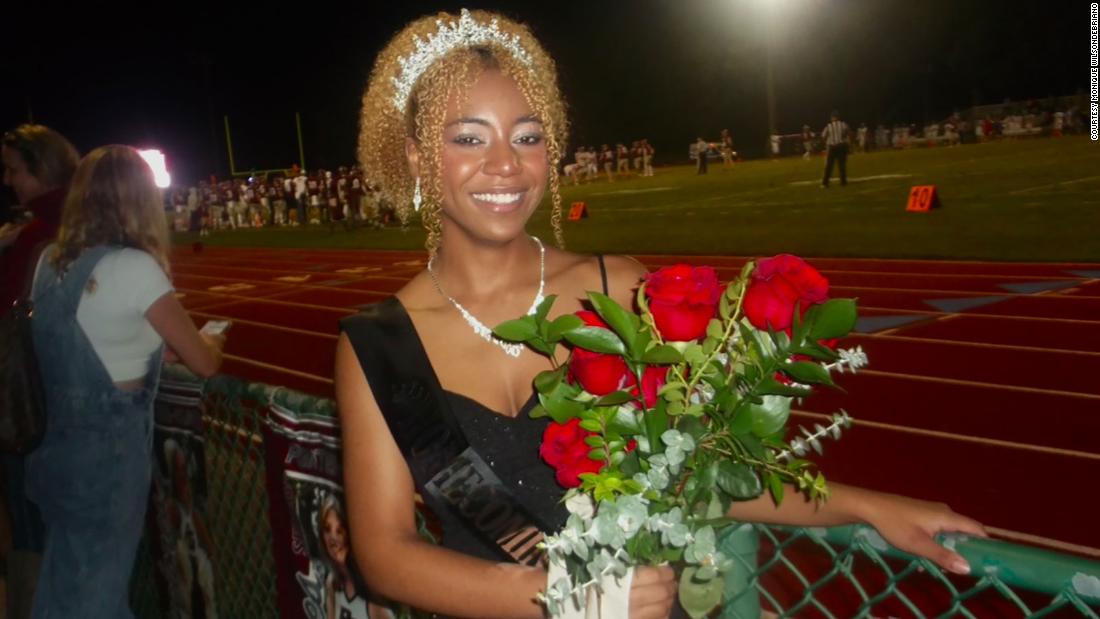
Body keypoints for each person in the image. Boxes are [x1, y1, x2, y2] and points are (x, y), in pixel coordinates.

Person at [336, 10, 984, 619]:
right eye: (469, 138)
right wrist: (566, 597)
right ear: (419, 157)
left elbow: (704, 468)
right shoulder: (377, 343)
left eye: (527, 136)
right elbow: (386, 552)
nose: (505, 163)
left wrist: (864, 506)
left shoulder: (616, 291)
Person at [26, 145, 226, 619]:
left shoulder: (49, 262)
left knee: (64, 580)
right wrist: (214, 339)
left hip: (54, 448)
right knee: (99, 593)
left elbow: (97, 334)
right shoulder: (135, 269)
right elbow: (204, 363)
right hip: (109, 458)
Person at [1, 123, 80, 619]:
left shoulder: (35, 237)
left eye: (13, 170)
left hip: (29, 412)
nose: (8, 181)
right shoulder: (87, 226)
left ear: (41, 170)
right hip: (79, 412)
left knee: (32, 536)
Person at [821, 111, 850, 188]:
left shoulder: (828, 126)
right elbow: (847, 131)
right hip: (841, 146)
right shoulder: (843, 124)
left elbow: (823, 136)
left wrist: (827, 143)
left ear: (832, 118)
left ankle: (825, 183)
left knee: (829, 166)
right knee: (842, 165)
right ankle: (843, 181)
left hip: (832, 147)